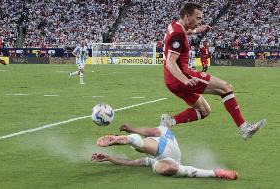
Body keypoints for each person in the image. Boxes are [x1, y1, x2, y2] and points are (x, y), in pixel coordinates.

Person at [161, 2, 266, 139]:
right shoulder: (178, 36)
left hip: (171, 81)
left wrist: (195, 31)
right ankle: (244, 128)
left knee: (204, 111)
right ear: (187, 17)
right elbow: (170, 62)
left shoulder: (174, 26)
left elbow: (183, 32)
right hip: (181, 77)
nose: (199, 22)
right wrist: (186, 80)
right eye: (198, 18)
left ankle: (169, 121)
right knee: (225, 87)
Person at [92, 123, 238, 180]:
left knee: (142, 144)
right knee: (170, 168)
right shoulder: (151, 159)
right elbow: (129, 162)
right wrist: (109, 158)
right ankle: (216, 173)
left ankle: (127, 139)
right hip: (166, 159)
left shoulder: (163, 131)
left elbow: (152, 131)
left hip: (168, 147)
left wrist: (131, 128)